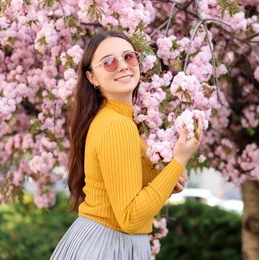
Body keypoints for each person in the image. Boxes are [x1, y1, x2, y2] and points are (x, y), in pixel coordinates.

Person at [51, 31, 202, 259]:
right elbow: (130, 217)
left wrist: (167, 179)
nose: (122, 66)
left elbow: (122, 196)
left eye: (128, 57)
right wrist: (179, 159)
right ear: (92, 77)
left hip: (101, 241)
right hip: (108, 245)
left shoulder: (110, 118)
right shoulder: (117, 125)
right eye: (109, 62)